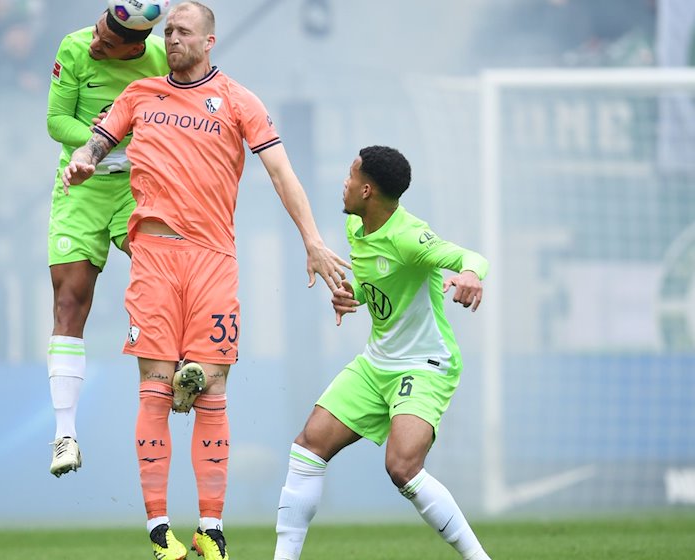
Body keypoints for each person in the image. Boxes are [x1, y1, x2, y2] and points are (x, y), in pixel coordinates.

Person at [62, 3, 348, 559]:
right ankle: (159, 530)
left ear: (209, 41)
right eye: (167, 31)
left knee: (212, 388)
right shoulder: (140, 95)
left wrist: (312, 239)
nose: (171, 39)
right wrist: (83, 159)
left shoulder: (240, 101)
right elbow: (96, 143)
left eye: (182, 32)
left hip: (214, 257)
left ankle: (211, 529)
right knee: (155, 384)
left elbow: (281, 171)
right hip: (154, 255)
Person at [272, 146, 493, 560]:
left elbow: (470, 257)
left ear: (367, 189)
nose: (345, 182)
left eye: (351, 176)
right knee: (309, 445)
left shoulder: (409, 237)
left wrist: (469, 275)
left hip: (425, 365)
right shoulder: (358, 230)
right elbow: (378, 285)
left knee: (402, 467)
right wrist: (350, 294)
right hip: (376, 364)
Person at [46, 7, 169, 478]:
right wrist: (105, 138)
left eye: (106, 43)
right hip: (82, 187)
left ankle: (179, 371)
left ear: (134, 47)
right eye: (97, 31)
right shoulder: (73, 47)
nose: (95, 43)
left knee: (165, 274)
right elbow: (57, 121)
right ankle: (64, 435)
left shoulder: (160, 57)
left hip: (138, 187)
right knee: (70, 302)